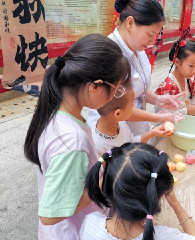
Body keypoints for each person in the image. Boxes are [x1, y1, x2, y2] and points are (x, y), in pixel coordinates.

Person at [23, 34, 131, 239]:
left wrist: (94, 162)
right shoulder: (72, 141)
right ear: (94, 86)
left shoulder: (60, 113)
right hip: (71, 232)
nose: (114, 97)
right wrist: (99, 183)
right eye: (115, 90)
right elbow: (50, 214)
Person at [88, 0, 183, 138]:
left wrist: (158, 99)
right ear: (130, 23)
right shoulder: (109, 55)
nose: (152, 40)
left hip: (135, 130)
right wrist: (159, 117)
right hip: (111, 134)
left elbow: (138, 89)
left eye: (156, 34)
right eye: (150, 34)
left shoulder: (137, 47)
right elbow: (117, 107)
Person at [81, 143, 195, 240]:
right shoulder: (164, 235)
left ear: (107, 187)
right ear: (158, 196)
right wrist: (176, 205)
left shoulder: (90, 223)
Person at [90, 86, 175, 156]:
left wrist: (152, 133)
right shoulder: (98, 147)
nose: (134, 105)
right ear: (118, 113)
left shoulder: (120, 122)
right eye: (131, 103)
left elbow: (131, 142)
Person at [155, 39, 195, 116]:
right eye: (191, 66)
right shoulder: (168, 86)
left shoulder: (189, 81)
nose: (194, 71)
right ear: (177, 62)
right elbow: (160, 114)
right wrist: (185, 111)